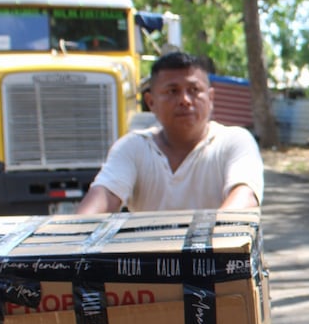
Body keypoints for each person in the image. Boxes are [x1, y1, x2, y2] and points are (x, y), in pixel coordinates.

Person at [76, 52, 264, 213]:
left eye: (194, 90)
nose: (185, 100)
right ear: (151, 102)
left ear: (211, 97)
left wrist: (204, 247)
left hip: (217, 254)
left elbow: (244, 199)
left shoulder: (234, 142)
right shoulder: (132, 148)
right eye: (172, 91)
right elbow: (102, 200)